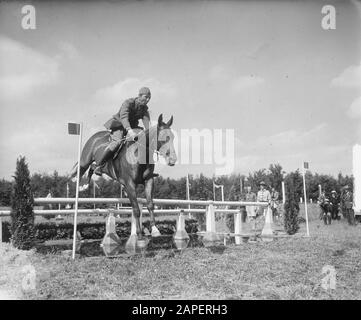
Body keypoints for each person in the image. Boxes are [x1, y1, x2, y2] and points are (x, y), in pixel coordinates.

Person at [94, 87, 152, 175]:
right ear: (139, 96)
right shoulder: (128, 103)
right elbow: (124, 117)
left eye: (149, 98)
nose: (147, 99)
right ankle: (99, 165)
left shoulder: (144, 109)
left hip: (133, 128)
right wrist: (129, 130)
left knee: (143, 139)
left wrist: (150, 133)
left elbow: (147, 123)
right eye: (146, 97)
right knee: (117, 142)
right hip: (120, 125)